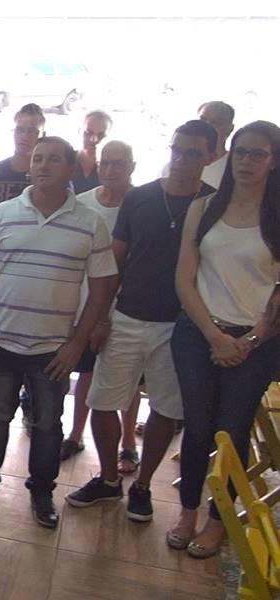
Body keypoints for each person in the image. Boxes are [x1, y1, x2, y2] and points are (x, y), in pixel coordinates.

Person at [0, 136, 118, 529]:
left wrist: (77, 344)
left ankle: (42, 493)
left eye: (53, 159)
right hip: (0, 344)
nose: (42, 166)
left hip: (54, 350)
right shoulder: (2, 215)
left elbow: (102, 288)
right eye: (37, 159)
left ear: (71, 169)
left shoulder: (90, 223)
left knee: (47, 426)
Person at [64, 121, 217, 523]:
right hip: (127, 316)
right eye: (177, 150)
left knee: (165, 409)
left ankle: (143, 486)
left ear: (211, 156)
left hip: (180, 325)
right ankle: (109, 479)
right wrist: (100, 317)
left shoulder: (215, 205)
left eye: (193, 153)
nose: (181, 160)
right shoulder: (141, 198)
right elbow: (114, 263)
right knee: (101, 401)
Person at [167, 120, 280, 559]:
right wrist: (214, 335)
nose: (246, 161)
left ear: (273, 161)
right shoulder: (205, 208)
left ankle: (218, 521)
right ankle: (187, 512)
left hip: (258, 342)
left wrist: (250, 338)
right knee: (197, 427)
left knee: (232, 432)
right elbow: (184, 278)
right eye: (240, 152)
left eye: (258, 154)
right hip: (198, 333)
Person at [61, 140, 137, 464]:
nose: (110, 170)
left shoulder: (141, 203)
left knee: (127, 377)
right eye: (105, 163)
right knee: (87, 372)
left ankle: (128, 441)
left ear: (132, 166)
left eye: (118, 163)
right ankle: (75, 434)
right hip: (86, 303)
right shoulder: (82, 204)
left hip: (128, 307)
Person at [0, 103, 46, 206]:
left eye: (32, 131)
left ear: (43, 136)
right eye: (20, 130)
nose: (24, 137)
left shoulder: (49, 176)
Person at [197, 101, 236, 189]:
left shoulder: (235, 167)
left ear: (230, 129)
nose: (207, 126)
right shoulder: (176, 162)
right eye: (202, 120)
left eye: (215, 122)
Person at [72, 110, 112, 193]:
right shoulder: (66, 160)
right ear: (80, 131)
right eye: (88, 133)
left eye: (101, 135)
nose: (94, 139)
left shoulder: (111, 169)